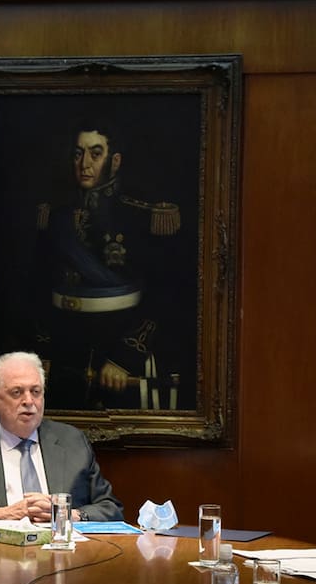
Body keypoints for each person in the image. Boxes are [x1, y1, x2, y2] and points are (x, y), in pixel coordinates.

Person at [17, 120, 189, 411]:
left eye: (95, 154)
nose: (84, 163)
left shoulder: (141, 219)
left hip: (119, 347)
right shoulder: (55, 218)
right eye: (78, 153)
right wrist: (41, 351)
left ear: (115, 160)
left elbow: (164, 295)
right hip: (63, 351)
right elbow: (37, 289)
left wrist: (125, 357)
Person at [0, 351, 122, 523]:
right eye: (17, 392)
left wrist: (69, 514)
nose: (29, 401)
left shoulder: (73, 442)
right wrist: (0, 514)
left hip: (62, 556)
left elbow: (111, 509)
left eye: (35, 392)